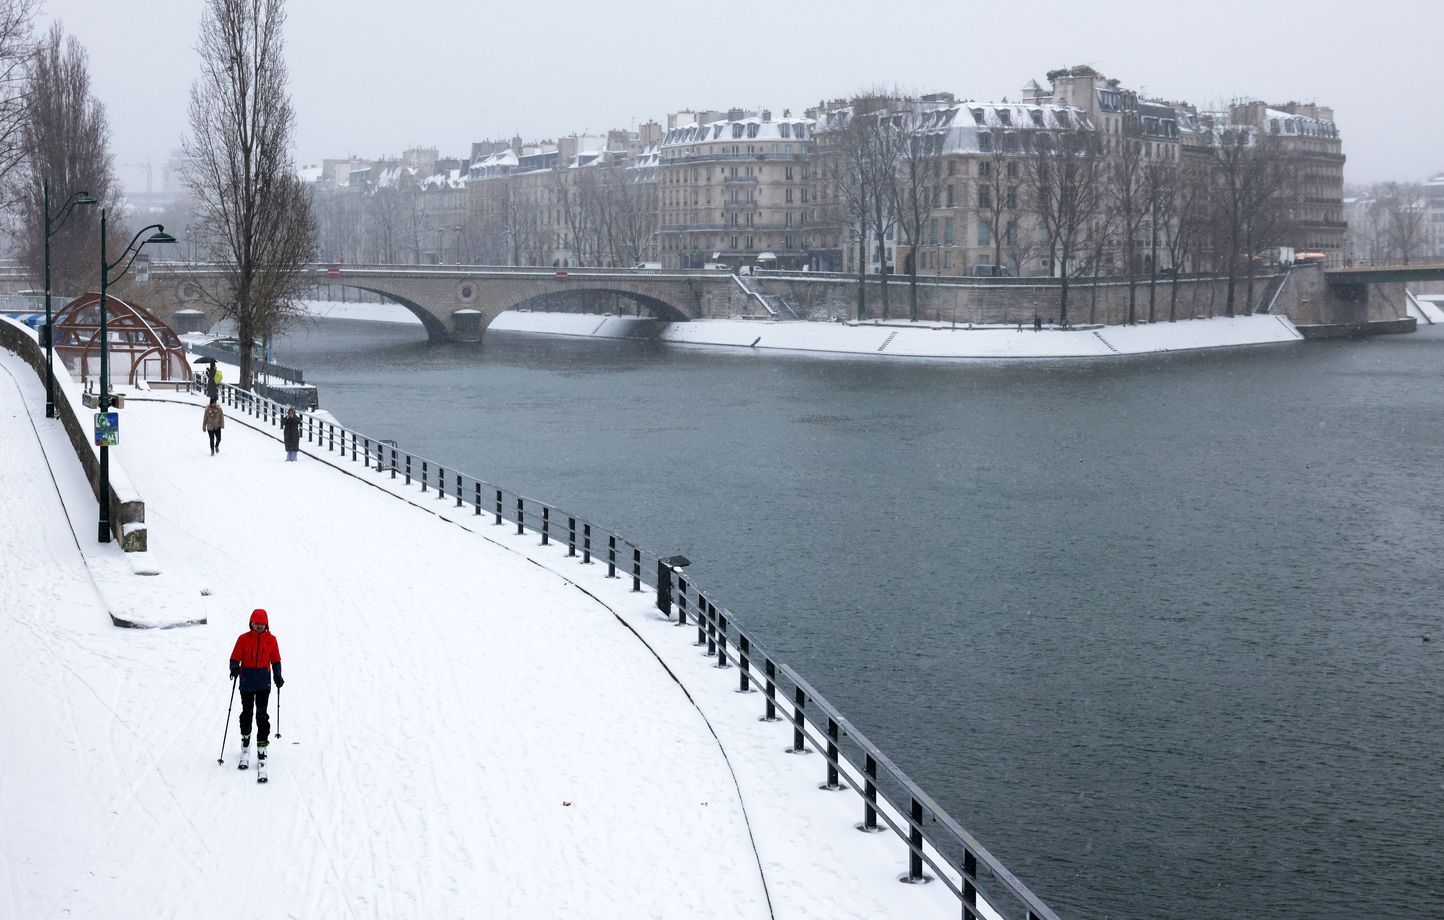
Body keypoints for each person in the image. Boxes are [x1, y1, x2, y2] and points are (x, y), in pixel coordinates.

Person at [229, 609, 283, 769]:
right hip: (246, 682)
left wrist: (277, 675)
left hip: (263, 684)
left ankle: (262, 747)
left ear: (266, 624)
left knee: (261, 716)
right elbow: (234, 658)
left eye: (262, 623)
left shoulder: (271, 640)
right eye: (256, 623)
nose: (259, 626)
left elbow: (276, 661)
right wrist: (234, 668)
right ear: (251, 623)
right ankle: (245, 741)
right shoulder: (243, 639)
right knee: (246, 714)